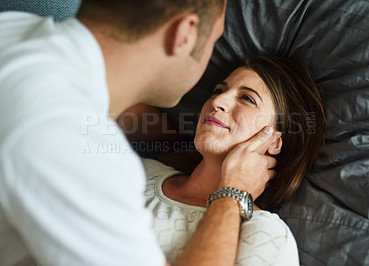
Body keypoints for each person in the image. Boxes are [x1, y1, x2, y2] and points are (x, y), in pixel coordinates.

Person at [0, 1, 280, 266]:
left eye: (248, 99)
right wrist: (232, 193)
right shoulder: (76, 147)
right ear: (184, 34)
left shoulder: (13, 27)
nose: (217, 101)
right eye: (214, 41)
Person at [141, 54, 326, 265]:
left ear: (275, 142)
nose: (217, 101)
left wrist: (233, 190)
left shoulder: (268, 236)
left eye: (247, 98)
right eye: (218, 91)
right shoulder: (138, 171)